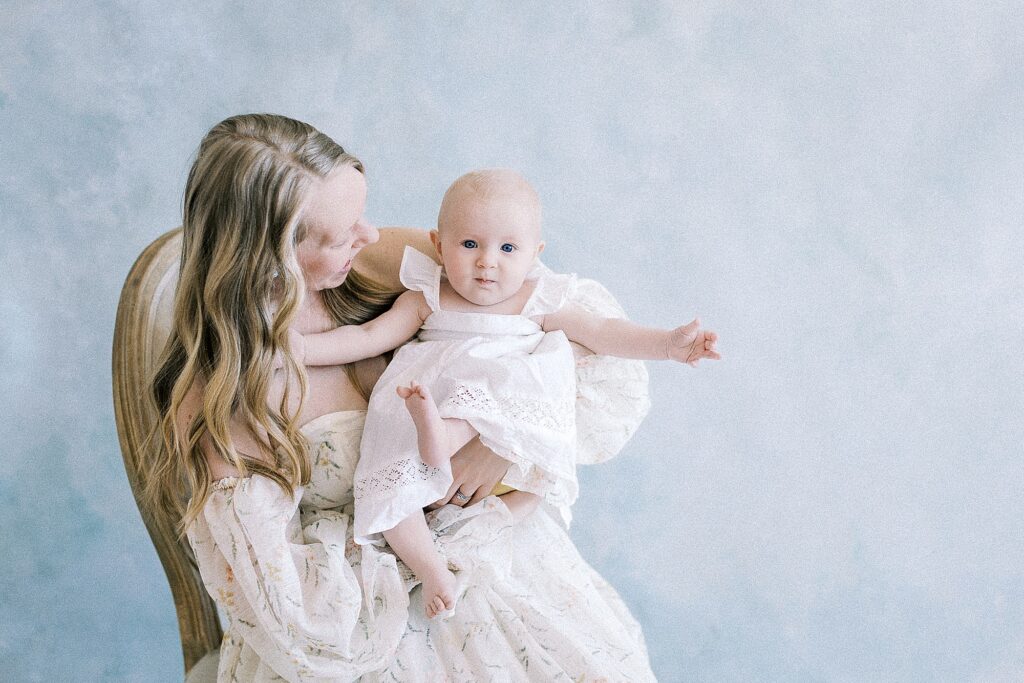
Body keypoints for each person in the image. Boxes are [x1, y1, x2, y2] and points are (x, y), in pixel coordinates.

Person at [148, 113, 661, 682]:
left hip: (503, 550)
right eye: (342, 232)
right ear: (270, 253)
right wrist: (415, 542)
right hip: (383, 618)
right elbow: (287, 610)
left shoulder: (394, 262)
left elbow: (577, 339)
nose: (368, 234)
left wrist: (502, 441)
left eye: (361, 215)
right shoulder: (225, 398)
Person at [295, 168, 720, 619]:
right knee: (390, 495)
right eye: (470, 245)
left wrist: (668, 345)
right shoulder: (427, 297)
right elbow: (367, 338)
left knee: (514, 457)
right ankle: (432, 569)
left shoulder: (536, 300)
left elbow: (604, 333)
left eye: (507, 248)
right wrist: (300, 347)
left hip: (491, 432)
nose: (487, 262)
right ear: (439, 245)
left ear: (534, 254)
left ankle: (442, 438)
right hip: (428, 423)